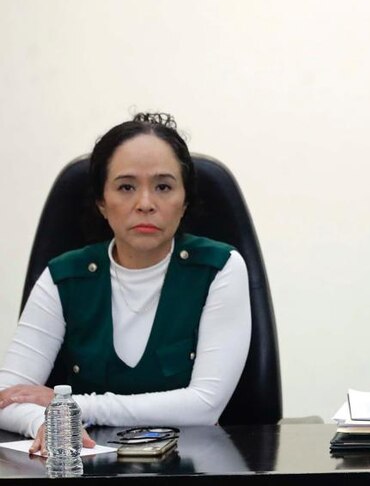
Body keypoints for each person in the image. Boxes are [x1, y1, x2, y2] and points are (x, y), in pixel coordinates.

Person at [0, 113, 251, 451]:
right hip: (88, 464)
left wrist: (75, 407)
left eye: (163, 186)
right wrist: (47, 424)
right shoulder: (64, 276)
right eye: (126, 187)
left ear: (185, 201)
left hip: (192, 467)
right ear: (102, 202)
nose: (145, 204)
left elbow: (204, 405)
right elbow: (7, 396)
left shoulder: (220, 268)